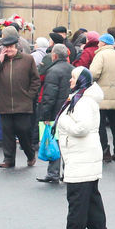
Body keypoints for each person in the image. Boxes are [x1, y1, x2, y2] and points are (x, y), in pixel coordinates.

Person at [53, 68, 109, 229]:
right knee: (91, 196)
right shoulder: (84, 98)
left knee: (77, 196)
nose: (70, 80)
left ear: (81, 81)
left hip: (81, 155)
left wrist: (62, 120)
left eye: (73, 77)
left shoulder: (83, 101)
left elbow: (81, 128)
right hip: (86, 154)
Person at [0, 32, 41, 168]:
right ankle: (8, 159)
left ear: (17, 47)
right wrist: (0, 60)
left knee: (23, 130)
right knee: (7, 132)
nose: (9, 49)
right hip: (4, 102)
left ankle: (30, 154)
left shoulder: (27, 59)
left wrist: (30, 95)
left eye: (11, 47)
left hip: (22, 102)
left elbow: (35, 80)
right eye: (6, 47)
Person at [36, 43, 75, 184]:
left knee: (54, 141)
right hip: (70, 110)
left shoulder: (52, 71)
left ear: (54, 55)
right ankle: (68, 173)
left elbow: (49, 96)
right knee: (68, 143)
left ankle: (53, 173)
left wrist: (46, 116)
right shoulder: (73, 69)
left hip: (55, 112)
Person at [89, 34, 115, 163]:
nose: (98, 44)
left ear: (104, 43)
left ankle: (105, 151)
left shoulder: (100, 55)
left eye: (100, 42)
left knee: (101, 125)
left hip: (101, 95)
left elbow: (93, 74)